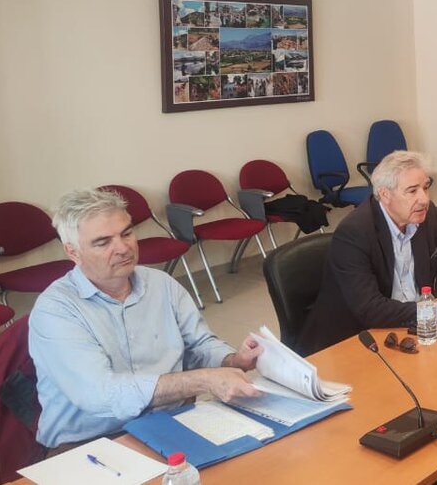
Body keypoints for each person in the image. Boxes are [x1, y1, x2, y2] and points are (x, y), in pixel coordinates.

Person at [30, 188, 263, 450]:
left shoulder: (162, 284)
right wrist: (203, 379)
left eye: (127, 233)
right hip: (94, 440)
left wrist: (233, 360)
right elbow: (100, 394)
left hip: (171, 420)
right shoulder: (55, 310)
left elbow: (199, 345)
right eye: (103, 242)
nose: (123, 248)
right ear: (73, 252)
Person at [298, 151, 437, 354]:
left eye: (425, 188)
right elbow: (369, 309)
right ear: (385, 194)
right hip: (356, 340)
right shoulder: (354, 232)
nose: (424, 199)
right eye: (412, 191)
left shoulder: (426, 214)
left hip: (412, 329)